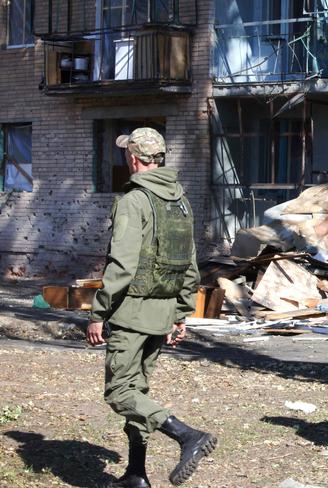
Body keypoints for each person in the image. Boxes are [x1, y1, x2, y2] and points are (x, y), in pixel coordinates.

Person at [86, 128, 216, 488]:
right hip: (161, 315)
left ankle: (186, 435)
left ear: (133, 158)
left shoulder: (134, 200)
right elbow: (190, 265)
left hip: (131, 313)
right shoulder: (180, 200)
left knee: (120, 392)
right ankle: (135, 475)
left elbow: (122, 265)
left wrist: (98, 313)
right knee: (137, 393)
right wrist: (180, 313)